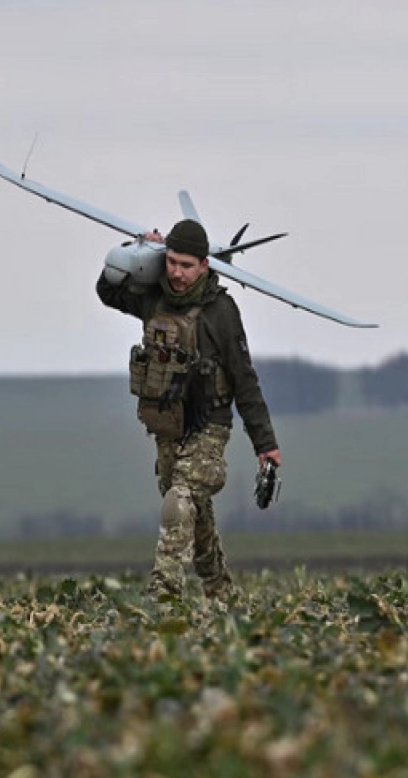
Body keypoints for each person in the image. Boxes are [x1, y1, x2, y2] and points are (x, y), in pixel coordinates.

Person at [97, 218, 282, 605]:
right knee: (192, 513)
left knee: (180, 501)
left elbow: (244, 379)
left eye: (186, 265)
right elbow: (108, 293)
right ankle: (221, 593)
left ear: (204, 266)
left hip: (210, 427)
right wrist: (134, 253)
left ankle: (163, 595)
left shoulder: (221, 311)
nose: (178, 274)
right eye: (172, 262)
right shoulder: (154, 296)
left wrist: (265, 444)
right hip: (169, 425)